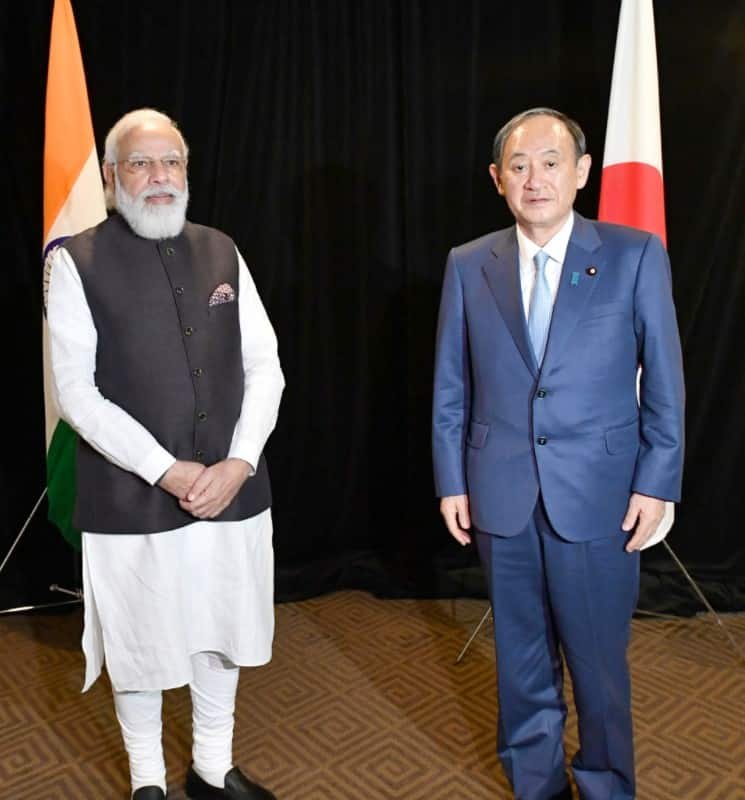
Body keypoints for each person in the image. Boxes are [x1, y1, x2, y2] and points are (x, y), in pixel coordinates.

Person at [432, 108, 684, 800]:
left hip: (600, 497)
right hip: (499, 496)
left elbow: (663, 377)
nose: (533, 177)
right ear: (496, 178)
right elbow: (450, 385)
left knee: (597, 664)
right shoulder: (467, 264)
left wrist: (656, 482)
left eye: (549, 161)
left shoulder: (633, 254)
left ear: (580, 171)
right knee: (519, 662)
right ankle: (534, 785)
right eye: (517, 165)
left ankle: (604, 785)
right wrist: (451, 480)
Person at [47, 108, 284, 800]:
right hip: (130, 496)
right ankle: (147, 782)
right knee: (142, 644)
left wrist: (238, 463)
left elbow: (265, 366)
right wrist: (167, 470)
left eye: (171, 162)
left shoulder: (222, 249)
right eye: (142, 163)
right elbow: (75, 394)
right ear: (111, 176)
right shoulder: (73, 260)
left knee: (222, 629)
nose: (159, 177)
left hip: (233, 488)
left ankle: (213, 766)